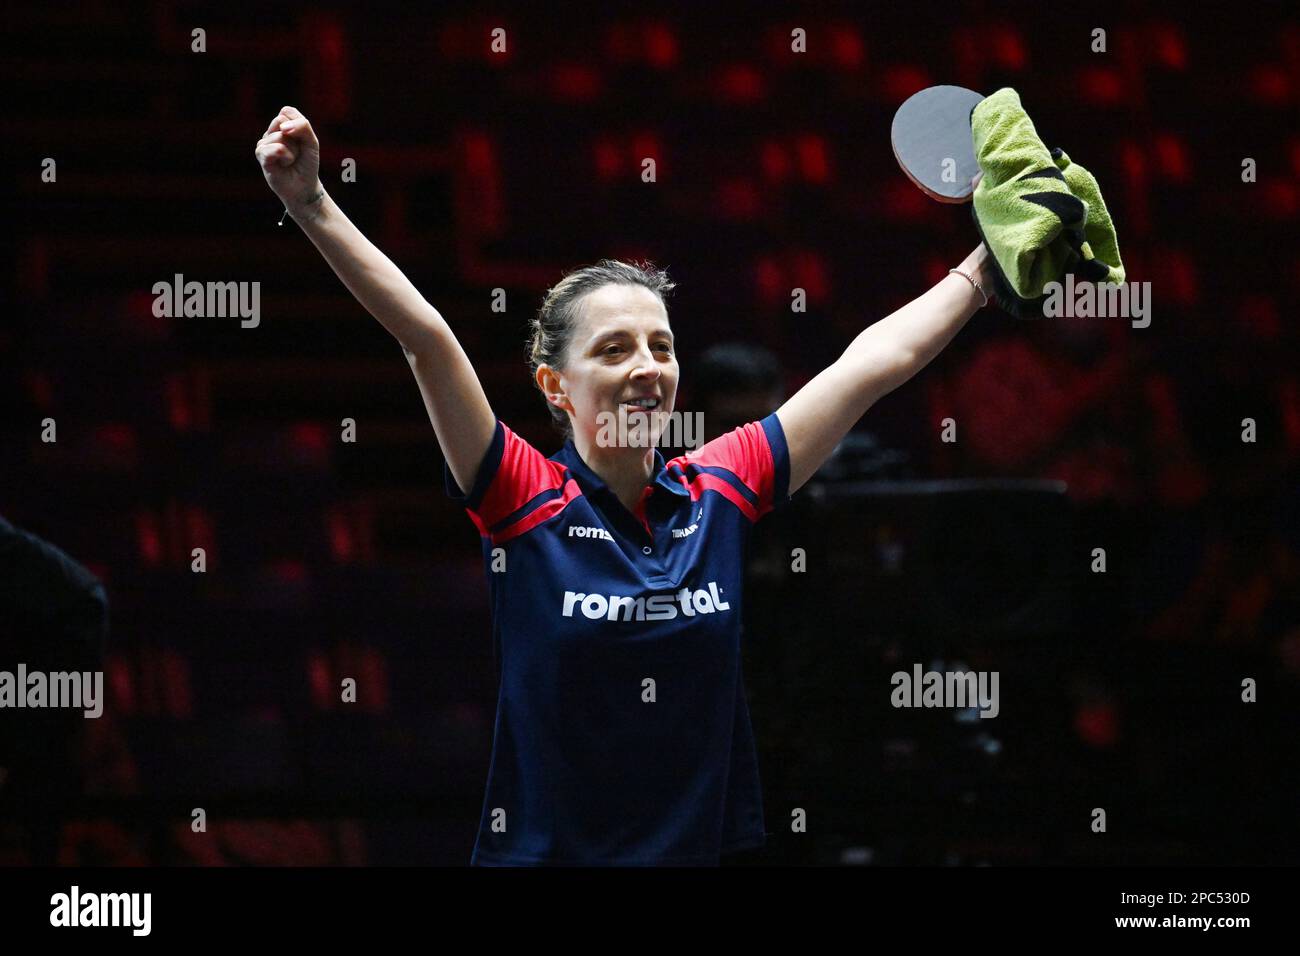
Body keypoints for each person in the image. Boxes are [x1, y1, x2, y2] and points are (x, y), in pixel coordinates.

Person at [255, 105, 995, 865]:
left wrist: (984, 266)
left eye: (661, 346)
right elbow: (425, 338)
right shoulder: (523, 496)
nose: (647, 368)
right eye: (614, 349)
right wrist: (311, 204)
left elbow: (869, 365)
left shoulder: (720, 488)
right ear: (556, 386)